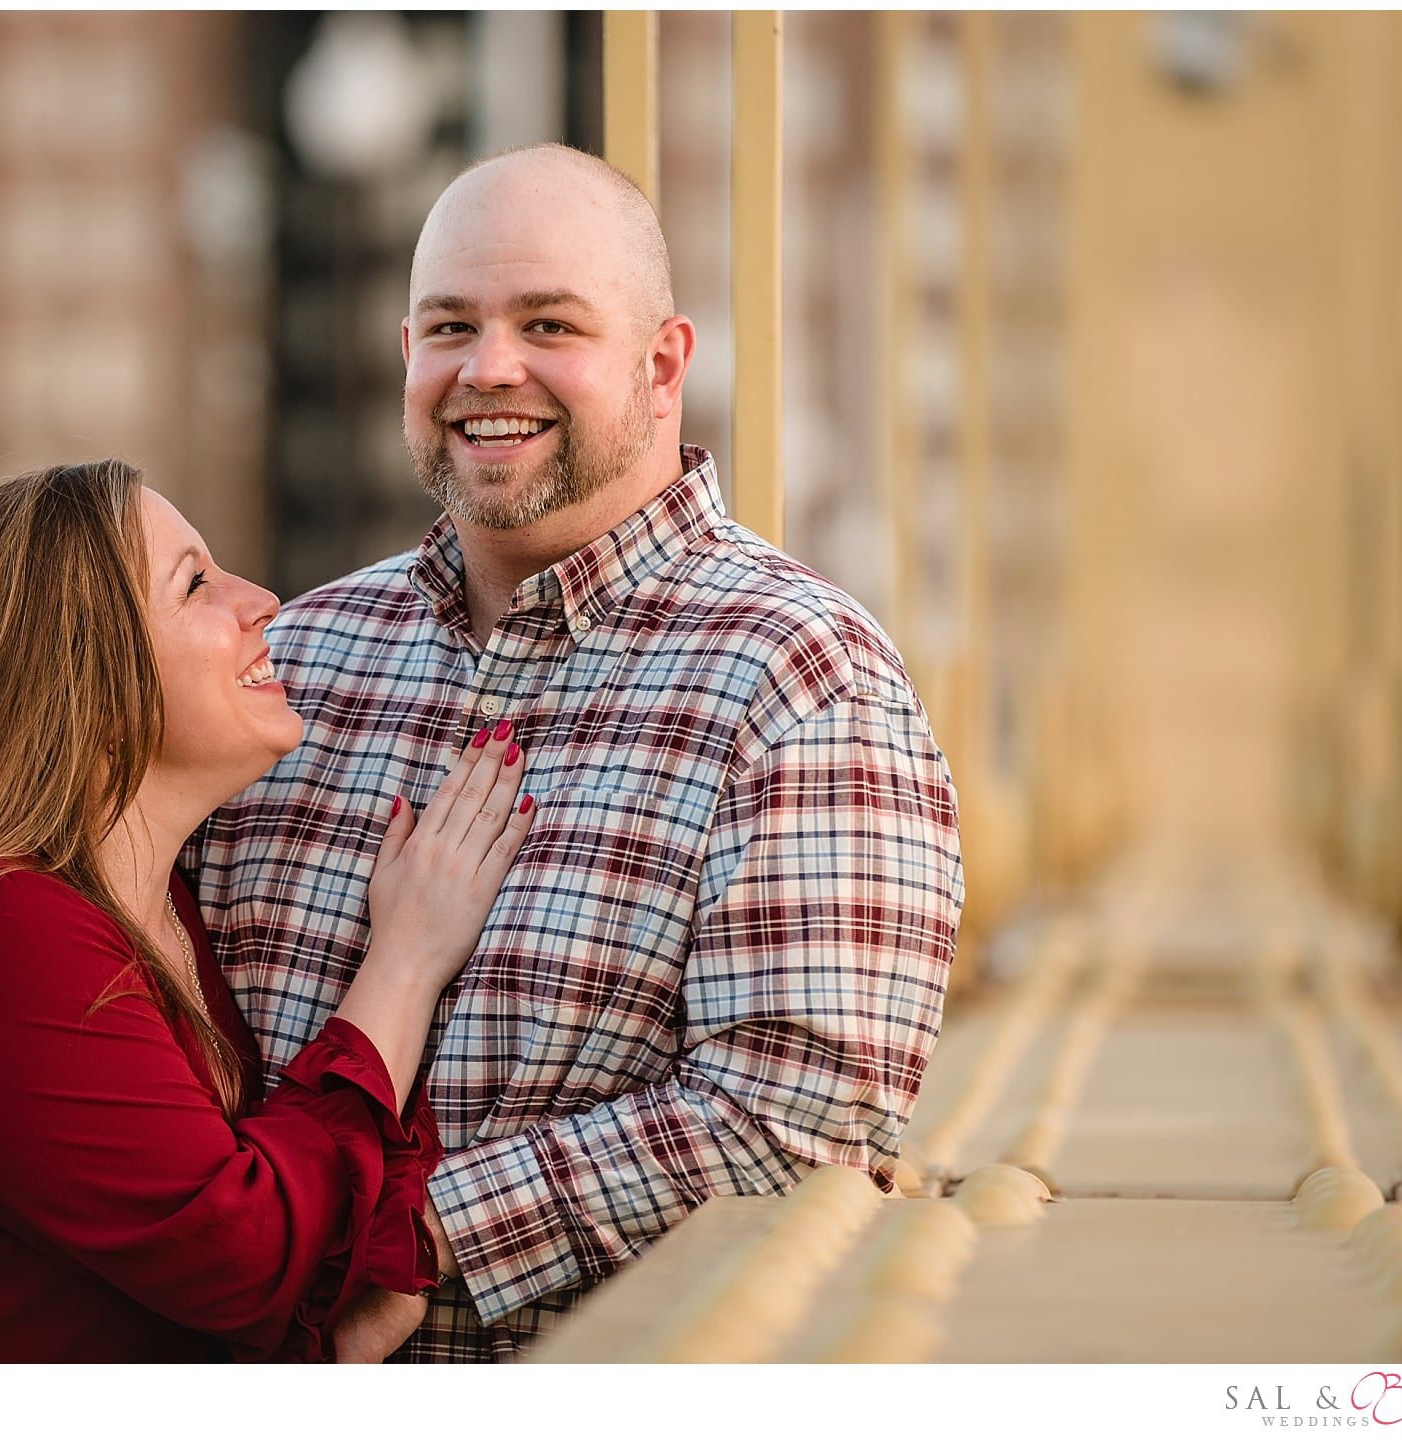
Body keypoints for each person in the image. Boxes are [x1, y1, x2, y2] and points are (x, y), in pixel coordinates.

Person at [183, 144, 966, 1361]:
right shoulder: (289, 662)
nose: (488, 369)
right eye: (449, 326)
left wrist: (413, 1238)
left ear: (662, 367)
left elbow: (798, 1120)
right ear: (405, 356)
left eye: (548, 324)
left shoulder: (801, 677)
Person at [0, 459, 539, 1362]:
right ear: (81, 675)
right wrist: (403, 964)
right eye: (196, 583)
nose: (262, 601)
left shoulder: (158, 903)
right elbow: (235, 1254)